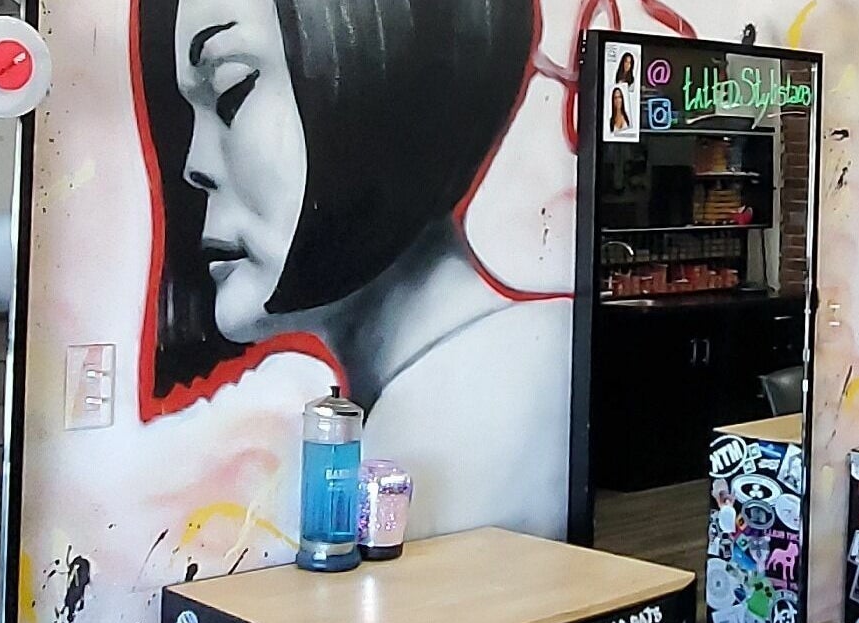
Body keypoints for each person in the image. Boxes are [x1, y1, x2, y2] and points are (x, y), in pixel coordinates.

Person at [146, 0, 565, 535]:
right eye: (186, 114)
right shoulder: (451, 378)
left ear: (382, 76)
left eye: (231, 91)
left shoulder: (473, 399)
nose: (194, 165)